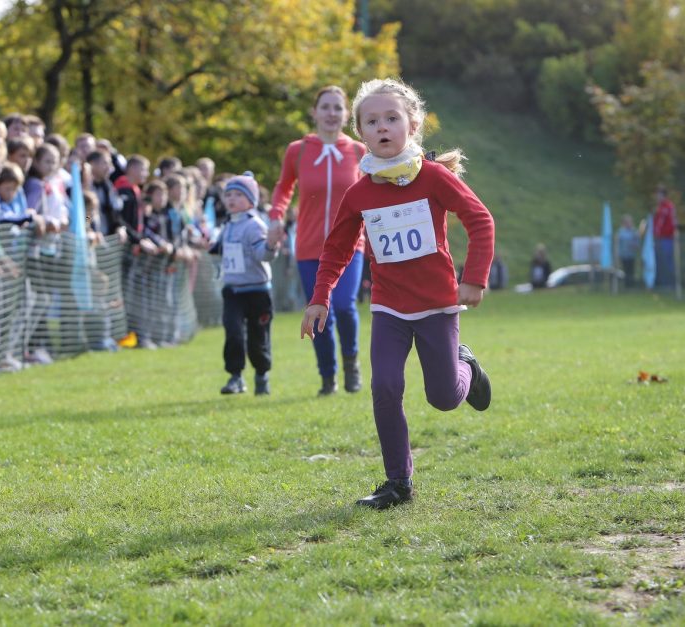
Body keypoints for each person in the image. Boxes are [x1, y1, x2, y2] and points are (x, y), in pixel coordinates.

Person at [300, 78, 494, 510]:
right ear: (360, 133)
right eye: (372, 121)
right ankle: (398, 483)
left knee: (443, 398)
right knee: (385, 387)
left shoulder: (435, 178)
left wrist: (474, 278)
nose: (383, 127)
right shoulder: (359, 192)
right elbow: (335, 248)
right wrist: (320, 298)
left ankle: (466, 364)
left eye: (392, 118)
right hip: (389, 307)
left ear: (412, 125)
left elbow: (480, 220)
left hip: (438, 305)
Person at [269, 85, 368, 395]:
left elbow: (372, 192)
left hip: (351, 244)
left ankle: (351, 363)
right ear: (314, 112)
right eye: (325, 107)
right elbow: (283, 188)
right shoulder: (297, 150)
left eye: (337, 108)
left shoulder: (357, 152)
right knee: (318, 310)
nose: (331, 113)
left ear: (346, 114)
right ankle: (328, 376)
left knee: (343, 304)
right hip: (310, 246)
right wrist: (275, 218)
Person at [208, 172, 280, 395]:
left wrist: (270, 245)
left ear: (251, 199)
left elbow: (263, 255)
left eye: (238, 194)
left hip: (257, 292)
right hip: (232, 291)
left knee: (258, 339)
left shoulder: (254, 225)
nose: (231, 199)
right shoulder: (228, 224)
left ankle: (262, 374)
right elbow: (220, 250)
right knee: (233, 333)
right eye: (228, 194)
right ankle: (235, 377)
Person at [652, 185, 677, 288]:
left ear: (664, 196)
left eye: (659, 195)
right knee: (660, 261)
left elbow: (673, 222)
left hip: (667, 238)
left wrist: (668, 233)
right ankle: (661, 283)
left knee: (667, 261)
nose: (657, 197)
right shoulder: (659, 208)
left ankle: (669, 283)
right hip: (658, 238)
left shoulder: (669, 207)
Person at [617, 214, 640, 287]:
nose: (629, 224)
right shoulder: (621, 232)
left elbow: (637, 244)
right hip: (624, 255)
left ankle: (631, 286)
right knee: (625, 271)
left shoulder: (634, 231)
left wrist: (635, 245)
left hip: (631, 255)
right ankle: (626, 286)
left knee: (631, 271)